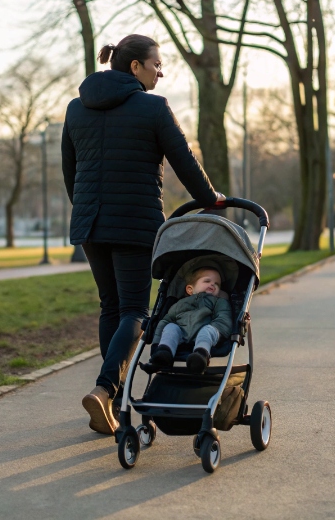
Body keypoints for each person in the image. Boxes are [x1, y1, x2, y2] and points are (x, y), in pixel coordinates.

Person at [61, 34, 225, 434]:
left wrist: (85, 209)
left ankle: (114, 404)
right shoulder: (153, 108)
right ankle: (104, 390)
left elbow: (70, 170)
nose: (160, 72)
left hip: (90, 224)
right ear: (135, 66)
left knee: (111, 307)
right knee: (135, 311)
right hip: (134, 223)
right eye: (157, 64)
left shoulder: (76, 108)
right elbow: (184, 161)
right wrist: (211, 198)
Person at [149, 267, 233, 374]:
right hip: (181, 334)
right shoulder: (180, 304)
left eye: (217, 284)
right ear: (190, 289)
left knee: (208, 331)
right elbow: (165, 321)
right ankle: (164, 351)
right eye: (207, 281)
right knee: (170, 327)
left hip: (206, 335)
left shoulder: (219, 302)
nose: (212, 284)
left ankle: (201, 355)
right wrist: (156, 344)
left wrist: (214, 328)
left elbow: (223, 320)